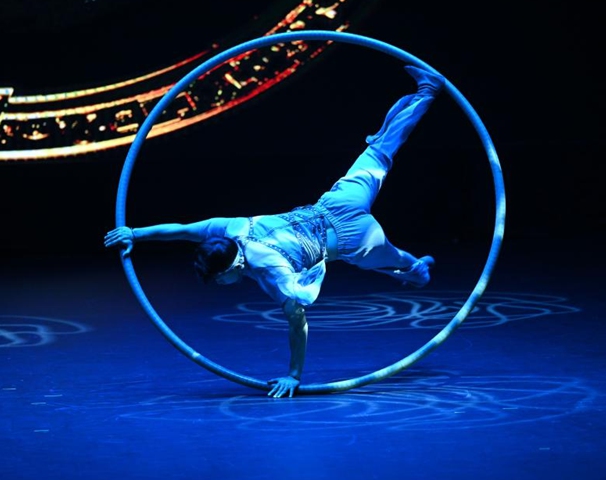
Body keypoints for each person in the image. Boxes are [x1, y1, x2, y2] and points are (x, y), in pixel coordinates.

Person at [105, 65, 444, 398]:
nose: (219, 286)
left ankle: (416, 270)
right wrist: (134, 233)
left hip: (353, 239)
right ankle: (427, 93)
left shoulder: (270, 272)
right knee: (379, 153)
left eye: (218, 279)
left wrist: (294, 375)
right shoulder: (230, 229)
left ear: (233, 267)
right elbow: (180, 231)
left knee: (393, 257)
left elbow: (299, 323)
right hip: (334, 203)